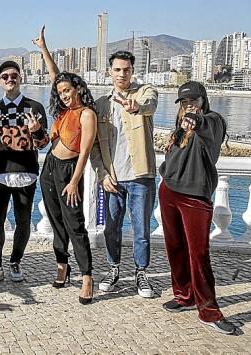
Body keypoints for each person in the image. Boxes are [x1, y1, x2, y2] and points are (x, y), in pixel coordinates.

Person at [159, 81, 236, 335]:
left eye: (193, 101)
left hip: (195, 198)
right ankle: (184, 296)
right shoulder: (180, 128)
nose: (188, 106)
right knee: (175, 249)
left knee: (198, 255)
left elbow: (206, 124)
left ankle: (209, 311)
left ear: (203, 100)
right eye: (184, 102)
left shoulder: (214, 122)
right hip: (169, 191)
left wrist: (195, 118)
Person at [34, 27, 96, 304]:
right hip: (50, 167)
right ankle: (62, 266)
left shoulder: (86, 114)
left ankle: (86, 276)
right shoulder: (62, 112)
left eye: (68, 90)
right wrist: (43, 50)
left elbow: (84, 152)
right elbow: (55, 77)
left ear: (78, 89)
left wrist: (74, 181)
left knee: (75, 224)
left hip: (70, 171)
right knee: (56, 220)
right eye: (60, 92)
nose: (63, 95)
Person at [89, 50, 158, 298]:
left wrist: (136, 106)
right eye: (117, 69)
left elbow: (150, 104)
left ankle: (141, 273)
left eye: (126, 70)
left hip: (141, 176)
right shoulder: (101, 105)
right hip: (113, 178)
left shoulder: (145, 92)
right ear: (110, 72)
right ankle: (113, 268)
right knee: (111, 228)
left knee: (141, 230)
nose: (122, 74)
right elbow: (95, 146)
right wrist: (102, 173)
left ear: (132, 71)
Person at [0, 60, 49, 287]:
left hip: (25, 174)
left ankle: (15, 262)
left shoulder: (35, 108)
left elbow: (42, 144)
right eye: (5, 76)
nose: (10, 79)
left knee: (23, 221)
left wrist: (36, 130)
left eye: (14, 76)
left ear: (21, 78)